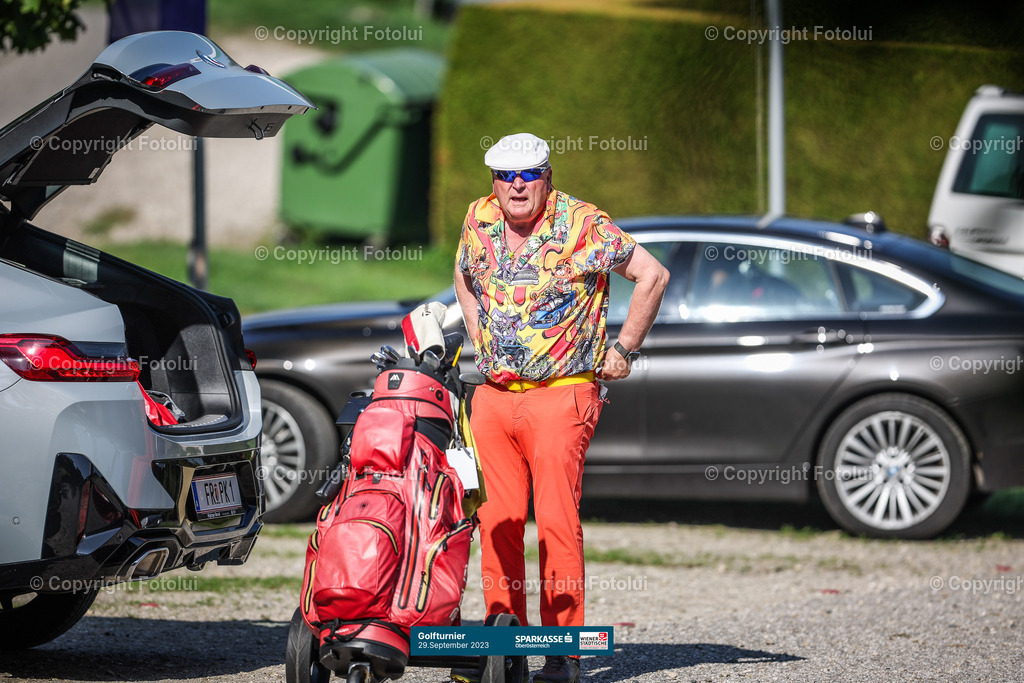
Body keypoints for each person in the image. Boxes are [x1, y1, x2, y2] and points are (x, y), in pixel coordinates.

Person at [452, 133, 669, 683]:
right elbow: (464, 274)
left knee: (555, 523)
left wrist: (624, 350)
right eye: (506, 176)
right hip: (495, 398)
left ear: (547, 175)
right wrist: (478, 329)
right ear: (493, 181)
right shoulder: (479, 218)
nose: (517, 185)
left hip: (561, 394)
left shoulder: (583, 224)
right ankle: (507, 647)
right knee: (495, 521)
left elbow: (653, 274)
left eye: (528, 175)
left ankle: (562, 653)